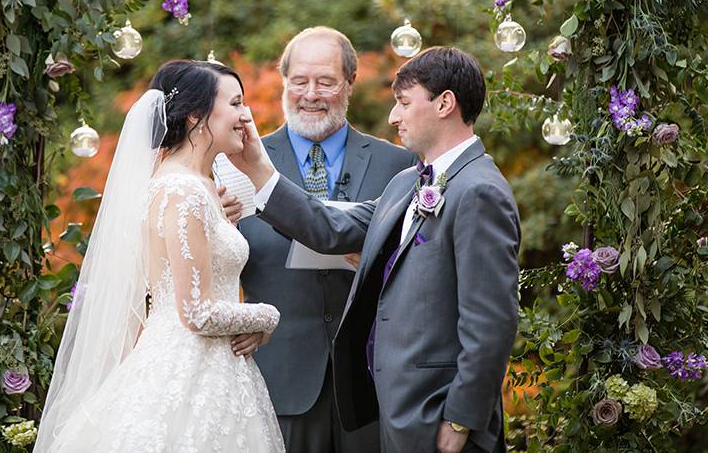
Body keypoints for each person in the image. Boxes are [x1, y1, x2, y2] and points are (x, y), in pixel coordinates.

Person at [230, 47, 520, 453]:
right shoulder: (407, 183)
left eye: (402, 103)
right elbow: (328, 228)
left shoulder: (479, 191)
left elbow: (491, 321)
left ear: (445, 104)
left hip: (439, 415)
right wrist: (258, 167)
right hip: (398, 412)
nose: (393, 117)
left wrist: (462, 416)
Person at [35, 60, 285, 452]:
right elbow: (197, 312)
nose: (245, 116)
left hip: (218, 370)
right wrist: (266, 316)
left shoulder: (203, 186)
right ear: (195, 116)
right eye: (235, 104)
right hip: (185, 371)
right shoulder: (180, 191)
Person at [230, 26, 415, 453]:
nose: (310, 93)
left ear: (350, 84)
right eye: (299, 81)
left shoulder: (398, 164)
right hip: (278, 376)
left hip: (369, 381)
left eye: (326, 82)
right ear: (284, 83)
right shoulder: (235, 163)